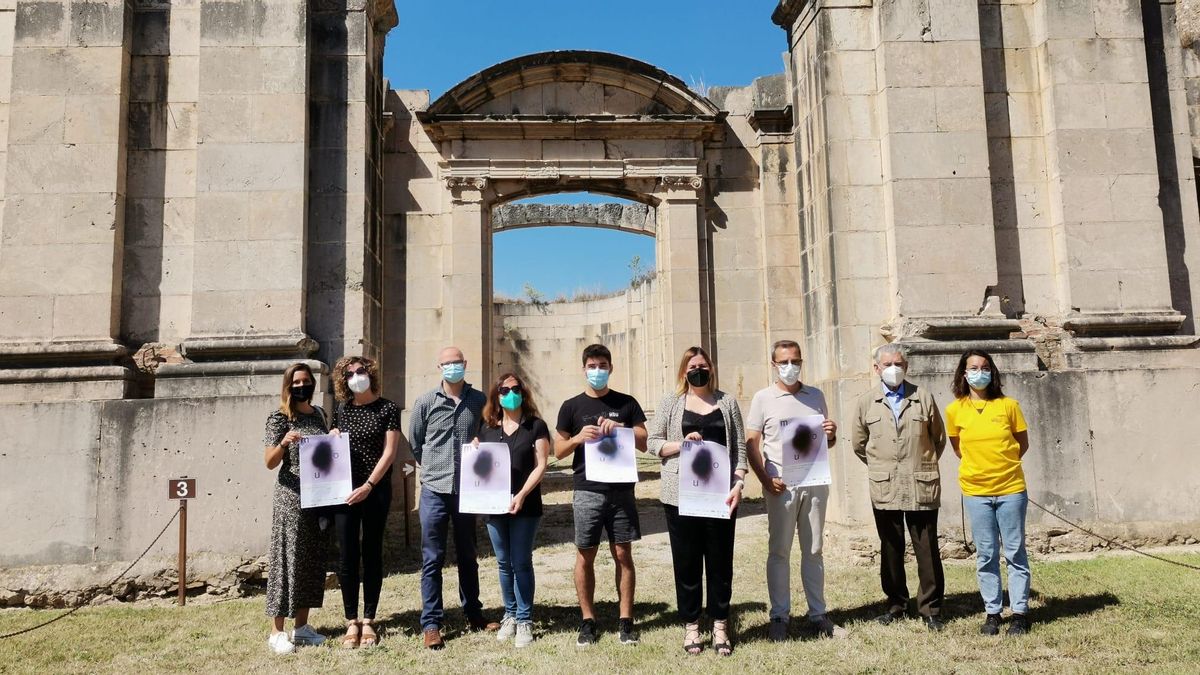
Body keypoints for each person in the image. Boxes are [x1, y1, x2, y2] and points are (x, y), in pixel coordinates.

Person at [647, 346, 748, 656]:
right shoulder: (671, 403)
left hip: (720, 496)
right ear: (684, 371)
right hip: (681, 497)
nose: (698, 370)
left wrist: (739, 482)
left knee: (720, 563)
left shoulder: (727, 402)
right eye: (693, 366)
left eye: (703, 365)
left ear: (711, 368)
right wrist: (680, 444)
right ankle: (692, 626)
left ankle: (720, 625)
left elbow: (740, 450)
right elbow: (652, 443)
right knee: (687, 562)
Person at [746, 339, 844, 641]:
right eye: (784, 362)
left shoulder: (815, 395)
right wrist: (764, 478)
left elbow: (826, 443)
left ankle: (818, 614)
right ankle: (779, 615)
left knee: (814, 549)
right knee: (779, 551)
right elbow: (752, 443)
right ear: (774, 365)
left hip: (814, 482)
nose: (791, 367)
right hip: (781, 487)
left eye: (796, 361)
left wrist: (831, 434)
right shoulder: (763, 398)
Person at [554, 343, 648, 647]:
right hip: (587, 490)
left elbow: (644, 441)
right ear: (584, 369)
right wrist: (579, 437)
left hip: (621, 490)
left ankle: (625, 621)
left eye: (602, 365)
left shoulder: (627, 402)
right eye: (592, 366)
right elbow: (557, 450)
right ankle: (588, 620)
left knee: (623, 554)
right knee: (585, 554)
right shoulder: (571, 406)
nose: (597, 371)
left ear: (611, 367)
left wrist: (622, 428)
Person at [850, 344, 947, 632]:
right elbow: (859, 444)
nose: (894, 368)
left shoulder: (923, 397)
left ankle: (930, 607)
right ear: (876, 368)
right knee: (890, 546)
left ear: (906, 366)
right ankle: (896, 603)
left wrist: (920, 463)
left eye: (899, 363)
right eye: (888, 364)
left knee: (926, 547)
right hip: (885, 484)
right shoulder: (867, 402)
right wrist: (883, 465)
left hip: (921, 482)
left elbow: (938, 439)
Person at [409, 346, 492, 650]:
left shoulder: (479, 400)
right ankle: (431, 623)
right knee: (432, 558)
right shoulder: (425, 402)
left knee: (469, 555)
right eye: (448, 363)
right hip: (434, 489)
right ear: (439, 366)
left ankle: (474, 613)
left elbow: (487, 435)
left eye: (457, 362)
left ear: (465, 364)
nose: (453, 367)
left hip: (467, 490)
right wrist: (432, 466)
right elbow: (416, 443)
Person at [946, 349, 1032, 636]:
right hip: (976, 492)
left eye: (984, 367)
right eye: (973, 367)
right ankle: (992, 612)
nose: (978, 372)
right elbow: (959, 448)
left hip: (1010, 489)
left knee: (1015, 552)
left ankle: (1019, 611)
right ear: (963, 373)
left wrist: (1001, 466)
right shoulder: (954, 410)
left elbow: (1022, 443)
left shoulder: (1009, 406)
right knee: (986, 554)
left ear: (992, 372)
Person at [475, 371, 550, 649]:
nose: (510, 394)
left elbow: (541, 464)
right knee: (504, 563)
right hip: (494, 506)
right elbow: (480, 465)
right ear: (496, 397)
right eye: (503, 391)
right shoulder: (486, 428)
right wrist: (475, 450)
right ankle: (509, 614)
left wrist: (520, 495)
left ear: (523, 392)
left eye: (514, 389)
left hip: (525, 505)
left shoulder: (536, 426)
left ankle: (525, 618)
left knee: (521, 561)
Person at [329, 355, 400, 649]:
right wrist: (332, 435)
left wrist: (369, 485)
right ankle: (351, 620)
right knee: (347, 555)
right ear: (343, 381)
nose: (356, 376)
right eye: (349, 374)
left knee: (371, 551)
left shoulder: (388, 408)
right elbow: (333, 447)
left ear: (370, 373)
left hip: (375, 490)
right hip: (344, 492)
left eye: (360, 371)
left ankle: (369, 619)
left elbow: (390, 452)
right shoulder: (342, 411)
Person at [261, 363, 331, 655]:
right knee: (286, 559)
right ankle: (277, 631)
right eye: (297, 382)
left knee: (311, 560)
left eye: (306, 381)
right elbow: (269, 462)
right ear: (288, 386)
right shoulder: (279, 418)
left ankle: (302, 627)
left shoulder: (319, 414)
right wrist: (284, 442)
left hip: (318, 495)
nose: (302, 386)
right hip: (290, 497)